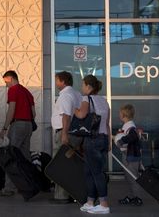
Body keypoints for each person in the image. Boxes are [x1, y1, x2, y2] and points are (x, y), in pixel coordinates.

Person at [74, 75, 111, 214]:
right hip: (103, 138)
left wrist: (73, 109)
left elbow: (82, 115)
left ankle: (103, 203)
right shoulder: (104, 101)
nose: (81, 87)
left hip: (92, 140)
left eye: (83, 85)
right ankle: (90, 202)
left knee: (96, 172)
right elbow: (106, 123)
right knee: (89, 171)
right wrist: (108, 142)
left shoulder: (86, 98)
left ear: (89, 87)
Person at [0, 70, 35, 196]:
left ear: (11, 78)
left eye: (6, 82)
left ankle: (9, 188)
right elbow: (33, 113)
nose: (6, 85)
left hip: (17, 125)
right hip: (28, 125)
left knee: (11, 156)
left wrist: (5, 127)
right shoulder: (27, 92)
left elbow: (11, 109)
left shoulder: (13, 90)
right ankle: (28, 185)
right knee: (25, 157)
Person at [50, 71, 82, 203]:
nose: (56, 82)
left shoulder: (65, 95)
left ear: (62, 81)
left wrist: (64, 134)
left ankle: (61, 196)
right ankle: (71, 194)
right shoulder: (77, 94)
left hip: (65, 132)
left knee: (60, 164)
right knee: (71, 165)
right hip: (75, 133)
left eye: (57, 80)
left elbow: (66, 116)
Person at [115, 104, 143, 206]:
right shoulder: (127, 125)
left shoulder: (130, 126)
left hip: (131, 156)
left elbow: (133, 136)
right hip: (128, 155)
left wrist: (121, 141)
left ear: (124, 114)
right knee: (129, 177)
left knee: (133, 177)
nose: (119, 114)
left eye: (120, 112)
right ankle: (132, 196)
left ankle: (137, 198)